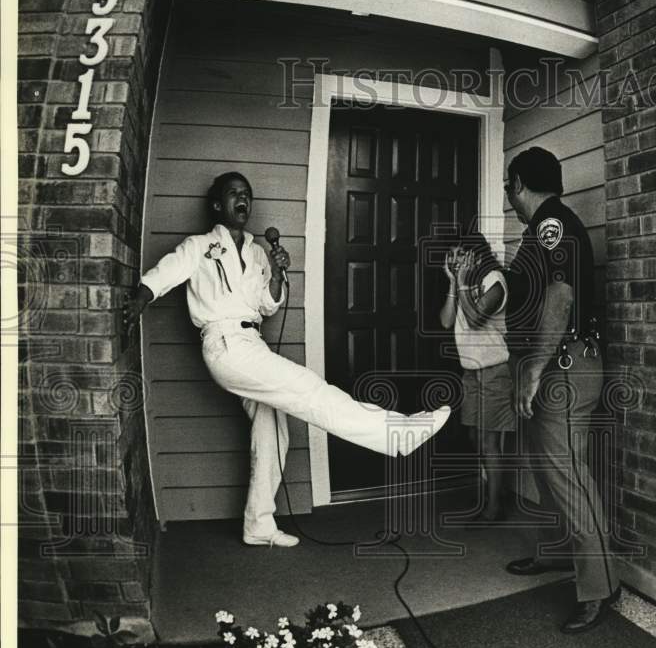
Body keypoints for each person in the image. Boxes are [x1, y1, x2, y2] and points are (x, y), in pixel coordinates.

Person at [122, 172, 451, 548]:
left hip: (252, 343)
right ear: (218, 205)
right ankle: (398, 435)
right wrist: (141, 298)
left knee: (273, 433)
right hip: (225, 343)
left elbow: (267, 303)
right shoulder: (199, 246)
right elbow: (167, 271)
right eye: (233, 194)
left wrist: (277, 272)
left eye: (247, 194)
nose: (242, 199)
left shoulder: (258, 252)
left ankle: (258, 524)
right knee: (309, 389)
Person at [502, 146, 620, 634]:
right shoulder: (545, 228)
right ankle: (559, 555)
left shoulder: (552, 224)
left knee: (567, 475)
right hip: (549, 366)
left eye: (510, 187)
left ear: (518, 184)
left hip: (562, 368)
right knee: (549, 472)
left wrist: (532, 368)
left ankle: (601, 586)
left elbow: (561, 294)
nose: (510, 196)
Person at [438, 231, 515, 522]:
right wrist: (453, 282)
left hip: (496, 371)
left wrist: (461, 283)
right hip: (471, 372)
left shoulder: (493, 281)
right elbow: (446, 320)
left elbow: (474, 319)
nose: (454, 260)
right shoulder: (462, 283)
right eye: (451, 254)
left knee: (487, 441)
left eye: (461, 254)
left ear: (476, 255)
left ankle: (493, 507)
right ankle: (496, 491)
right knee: (475, 436)